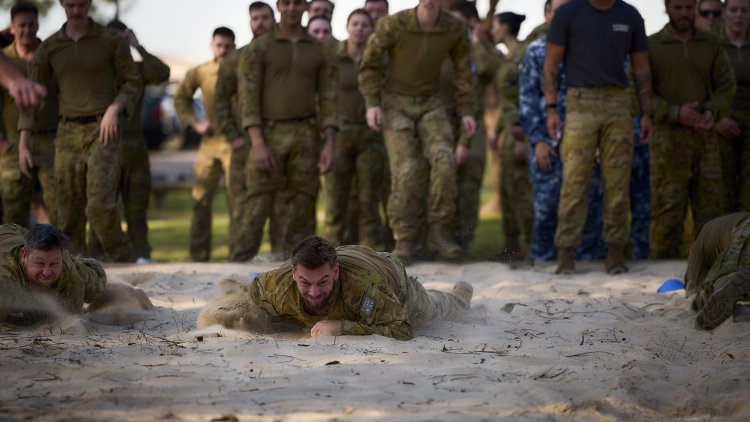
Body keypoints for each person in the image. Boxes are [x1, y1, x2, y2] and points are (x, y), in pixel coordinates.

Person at [359, 0, 476, 263]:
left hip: (431, 102)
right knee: (407, 167)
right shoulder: (394, 24)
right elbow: (370, 64)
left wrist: (467, 110)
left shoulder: (454, 27)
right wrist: (372, 104)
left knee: (445, 159)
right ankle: (404, 239)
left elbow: (463, 72)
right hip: (396, 102)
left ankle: (439, 231)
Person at [23, 0, 140, 262]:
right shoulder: (51, 46)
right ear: (63, 3)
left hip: (103, 129)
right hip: (67, 133)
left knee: (100, 205)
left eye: (82, 4)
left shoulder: (110, 39)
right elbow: (30, 94)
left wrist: (116, 107)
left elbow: (132, 81)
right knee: (69, 212)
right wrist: (23, 141)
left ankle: (122, 260)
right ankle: (76, 270)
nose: (76, 10)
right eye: (71, 4)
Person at [544, 0, 653, 274]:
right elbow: (551, 64)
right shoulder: (569, 13)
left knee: (617, 181)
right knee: (575, 181)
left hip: (618, 103)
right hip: (580, 102)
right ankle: (567, 255)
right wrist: (551, 108)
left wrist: (646, 113)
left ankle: (615, 254)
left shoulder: (630, 15)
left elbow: (641, 69)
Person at [197, 236, 473, 340]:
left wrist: (342, 326)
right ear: (293, 274)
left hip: (391, 279)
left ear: (335, 272)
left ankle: (459, 296)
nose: (314, 291)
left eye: (323, 282)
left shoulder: (365, 289)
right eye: (305, 282)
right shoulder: (274, 287)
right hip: (353, 272)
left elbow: (402, 329)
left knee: (432, 309)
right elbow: (249, 293)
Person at [236, 0, 337, 260]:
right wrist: (257, 142)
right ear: (279, 6)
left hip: (306, 134)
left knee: (300, 208)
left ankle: (291, 270)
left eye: (298, 3)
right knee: (255, 207)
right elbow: (248, 99)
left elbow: (328, 99)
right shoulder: (259, 48)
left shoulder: (319, 50)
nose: (292, 8)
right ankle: (237, 267)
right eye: (287, 3)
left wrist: (329, 143)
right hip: (267, 134)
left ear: (306, 6)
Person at [519, 0, 606, 265]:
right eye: (556, 11)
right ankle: (542, 261)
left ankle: (586, 262)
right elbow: (527, 99)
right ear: (547, 16)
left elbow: (600, 97)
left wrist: (598, 140)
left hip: (584, 140)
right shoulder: (535, 52)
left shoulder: (590, 49)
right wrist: (537, 141)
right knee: (546, 209)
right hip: (547, 142)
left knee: (589, 203)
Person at [648, 0, 736, 259]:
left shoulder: (711, 45)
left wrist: (712, 110)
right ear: (666, 7)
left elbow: (727, 86)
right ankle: (660, 279)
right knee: (666, 215)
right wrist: (674, 112)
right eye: (678, 7)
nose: (684, 13)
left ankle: (707, 275)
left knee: (709, 216)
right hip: (668, 145)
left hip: (705, 142)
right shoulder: (651, 45)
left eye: (689, 7)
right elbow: (639, 94)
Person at [93, 20, 170, 265]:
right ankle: (97, 258)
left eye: (121, 40)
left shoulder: (136, 69)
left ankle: (141, 257)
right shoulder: (96, 69)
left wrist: (138, 46)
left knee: (136, 208)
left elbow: (162, 73)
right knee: (101, 207)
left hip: (134, 145)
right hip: (102, 143)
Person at [215, 2, 276, 262]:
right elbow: (220, 99)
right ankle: (237, 263)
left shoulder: (284, 52)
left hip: (283, 136)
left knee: (284, 206)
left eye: (265, 17)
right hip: (246, 144)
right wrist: (233, 136)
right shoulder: (236, 58)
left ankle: (284, 260)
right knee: (244, 208)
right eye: (255, 18)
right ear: (250, 22)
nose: (260, 22)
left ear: (274, 19)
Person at [324, 9, 386, 250]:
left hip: (370, 135)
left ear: (371, 30)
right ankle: (329, 251)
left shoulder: (378, 59)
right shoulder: (333, 57)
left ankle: (373, 252)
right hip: (340, 134)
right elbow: (325, 95)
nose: (359, 28)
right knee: (337, 198)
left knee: (369, 198)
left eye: (365, 25)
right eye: (355, 24)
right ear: (347, 27)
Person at [440, 1, 499, 251]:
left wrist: (476, 41)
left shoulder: (478, 50)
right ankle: (442, 239)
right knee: (443, 182)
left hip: (473, 123)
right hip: (444, 122)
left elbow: (490, 67)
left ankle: (463, 242)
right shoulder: (442, 49)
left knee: (469, 183)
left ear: (470, 23)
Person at [174, 27, 236, 262]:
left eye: (228, 46)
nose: (223, 50)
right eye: (219, 45)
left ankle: (237, 258)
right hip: (210, 142)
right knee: (200, 200)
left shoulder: (241, 70)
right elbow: (181, 97)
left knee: (237, 204)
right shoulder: (200, 72)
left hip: (235, 143)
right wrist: (195, 123)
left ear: (234, 47)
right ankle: (199, 259)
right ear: (212, 46)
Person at [489, 12, 533, 261]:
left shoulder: (522, 54)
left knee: (521, 191)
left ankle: (531, 245)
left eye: (494, 26)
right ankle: (512, 247)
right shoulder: (506, 57)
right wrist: (497, 131)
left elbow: (523, 95)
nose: (491, 30)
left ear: (505, 27)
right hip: (507, 130)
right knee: (506, 189)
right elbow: (505, 101)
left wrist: (519, 136)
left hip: (520, 131)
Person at [0, 223, 106, 326]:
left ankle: (79, 262)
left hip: (22, 237)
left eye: (54, 264)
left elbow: (69, 317)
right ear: (24, 256)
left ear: (61, 256)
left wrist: (52, 324)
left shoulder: (67, 272)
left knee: (95, 289)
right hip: (7, 233)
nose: (47, 272)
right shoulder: (5, 276)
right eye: (39, 263)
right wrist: (34, 328)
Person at [0, 2, 47, 226]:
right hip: (10, 145)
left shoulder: (51, 53)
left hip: (50, 142)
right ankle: (13, 261)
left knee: (57, 212)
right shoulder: (4, 58)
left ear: (38, 25)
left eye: (31, 24)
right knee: (13, 217)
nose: (27, 30)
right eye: (22, 25)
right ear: (12, 28)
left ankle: (59, 260)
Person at [684, 212, 750, 330]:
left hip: (745, 230)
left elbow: (692, 284)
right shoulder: (727, 222)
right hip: (746, 222)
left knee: (708, 291)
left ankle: (725, 289)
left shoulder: (699, 242)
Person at [717, 0, 750, 213]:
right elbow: (700, 85)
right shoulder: (712, 44)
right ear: (724, 13)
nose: (739, 16)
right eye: (734, 10)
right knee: (723, 192)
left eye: (744, 11)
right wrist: (716, 119)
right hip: (721, 126)